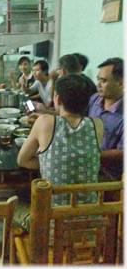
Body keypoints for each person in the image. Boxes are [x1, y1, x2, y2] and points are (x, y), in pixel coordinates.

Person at [14, 74, 103, 230]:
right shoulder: (97, 125)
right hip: (90, 227)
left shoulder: (45, 122)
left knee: (11, 201)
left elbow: (22, 160)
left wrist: (49, 162)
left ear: (58, 99)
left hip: (52, 228)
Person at [88, 57, 123, 182]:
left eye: (103, 81)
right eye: (98, 80)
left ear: (121, 83)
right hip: (89, 163)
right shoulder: (95, 99)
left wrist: (90, 155)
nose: (98, 85)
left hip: (108, 173)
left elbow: (122, 152)